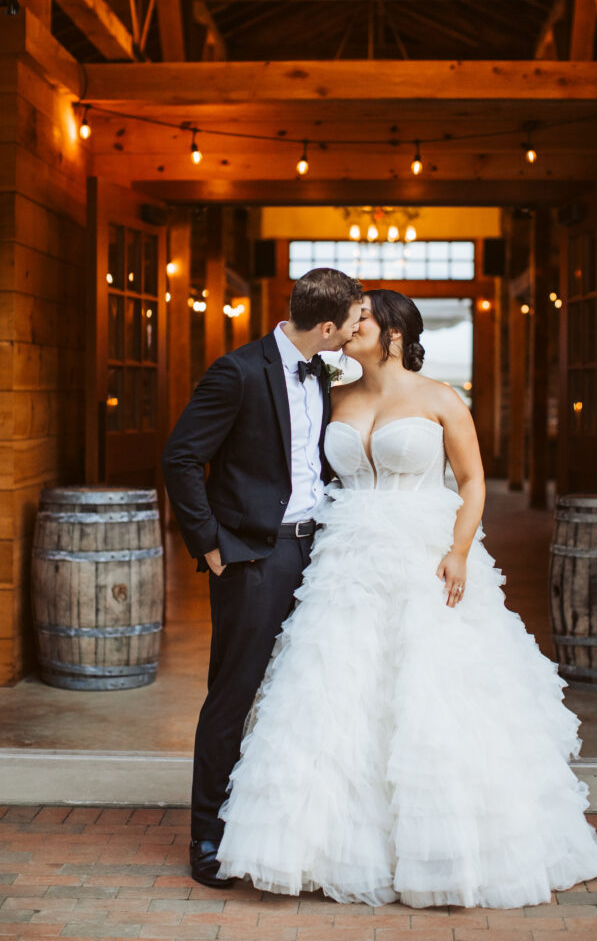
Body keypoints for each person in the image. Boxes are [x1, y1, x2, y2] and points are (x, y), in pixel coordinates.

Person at [214, 288, 597, 909]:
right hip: (345, 560)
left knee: (432, 693)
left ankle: (450, 849)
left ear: (395, 332)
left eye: (363, 319)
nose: (351, 327)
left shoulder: (439, 397)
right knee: (336, 692)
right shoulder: (334, 396)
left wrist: (459, 549)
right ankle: (329, 846)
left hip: (424, 556)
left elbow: (474, 478)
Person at [161, 267, 364, 888]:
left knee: (303, 691)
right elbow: (182, 456)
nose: (357, 333)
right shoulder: (239, 371)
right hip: (254, 556)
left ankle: (282, 829)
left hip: (321, 552)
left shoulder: (329, 371)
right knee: (235, 691)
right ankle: (206, 836)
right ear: (326, 327)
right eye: (352, 324)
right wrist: (212, 546)